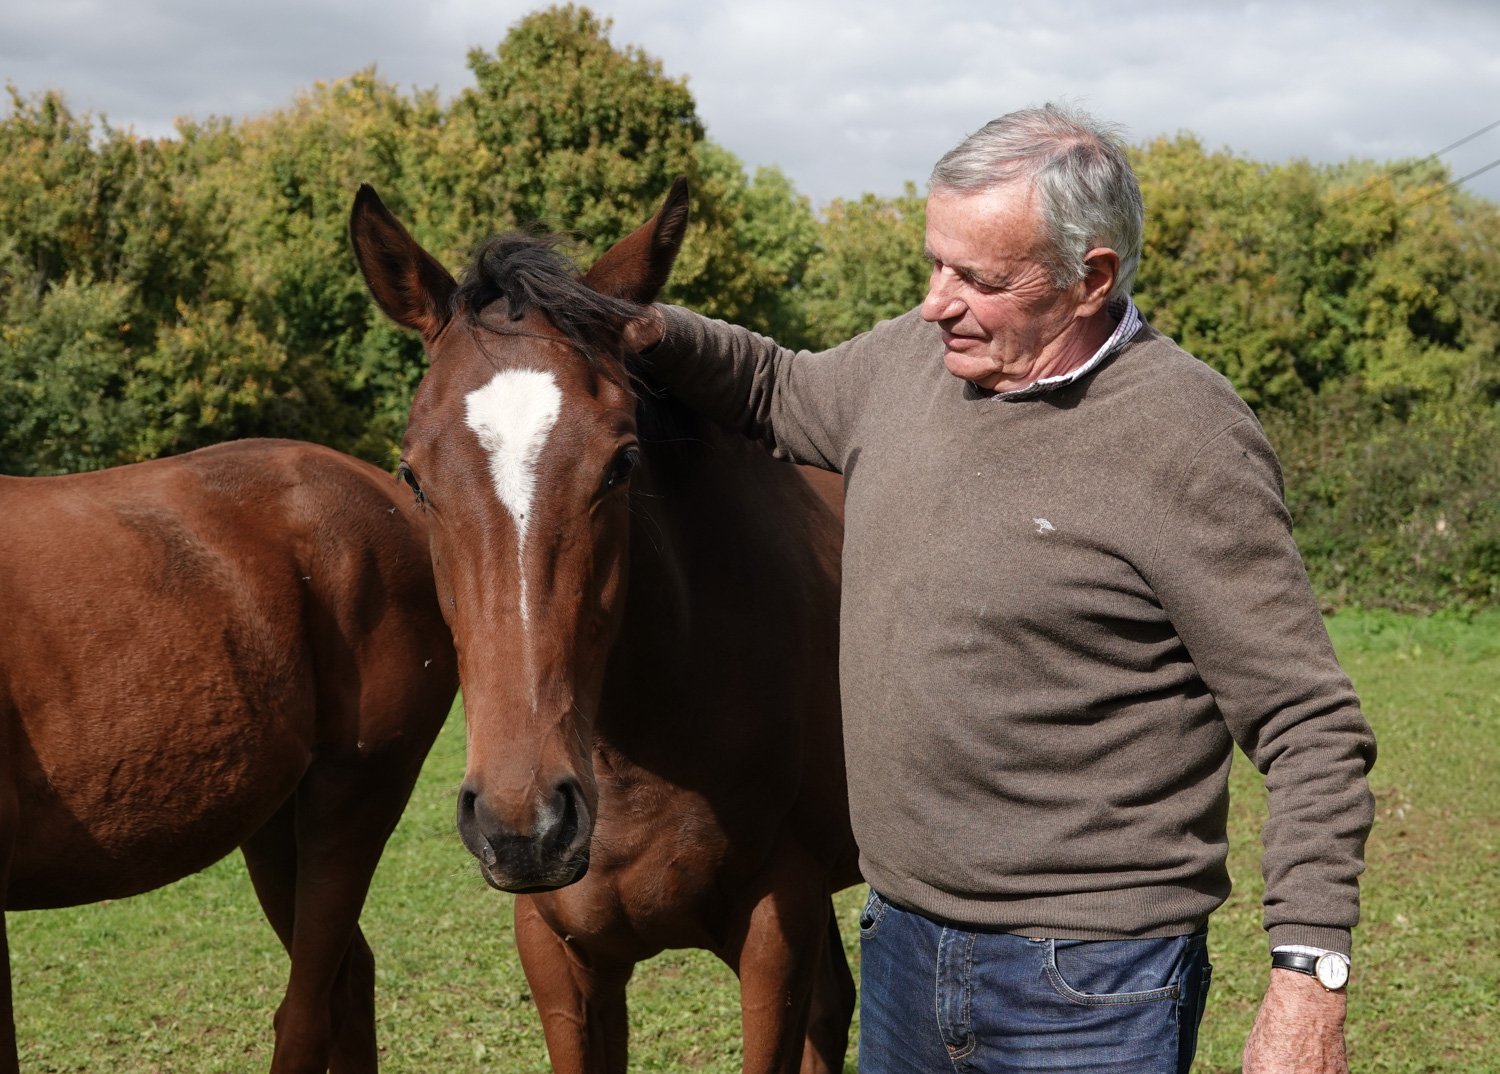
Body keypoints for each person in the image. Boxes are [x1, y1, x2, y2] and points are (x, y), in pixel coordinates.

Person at [629, 103, 1376, 1074]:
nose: (936, 303)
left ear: (1090, 279)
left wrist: (1307, 980)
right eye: (935, 263)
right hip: (901, 940)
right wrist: (640, 324)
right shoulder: (911, 365)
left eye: (978, 279)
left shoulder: (1186, 439)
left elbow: (1310, 724)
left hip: (1090, 982)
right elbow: (774, 388)